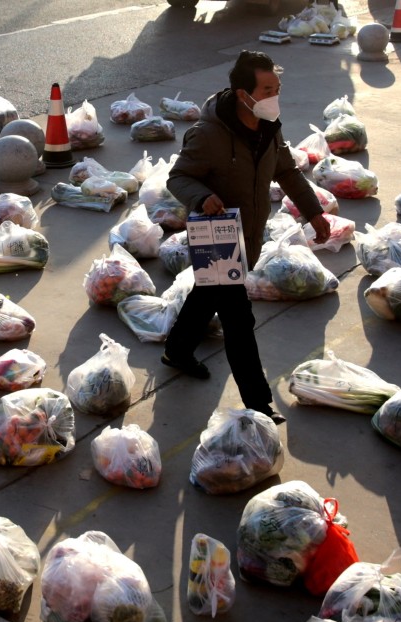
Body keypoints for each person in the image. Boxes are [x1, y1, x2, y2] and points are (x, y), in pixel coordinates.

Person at [161, 50, 331, 425]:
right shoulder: (209, 135)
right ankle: (259, 403)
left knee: (208, 294)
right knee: (239, 319)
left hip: (250, 234)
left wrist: (314, 212)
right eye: (267, 89)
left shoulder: (268, 125)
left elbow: (287, 172)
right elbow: (178, 177)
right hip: (218, 236)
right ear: (243, 94)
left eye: (277, 88)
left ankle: (177, 350)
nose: (275, 96)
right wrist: (202, 197)